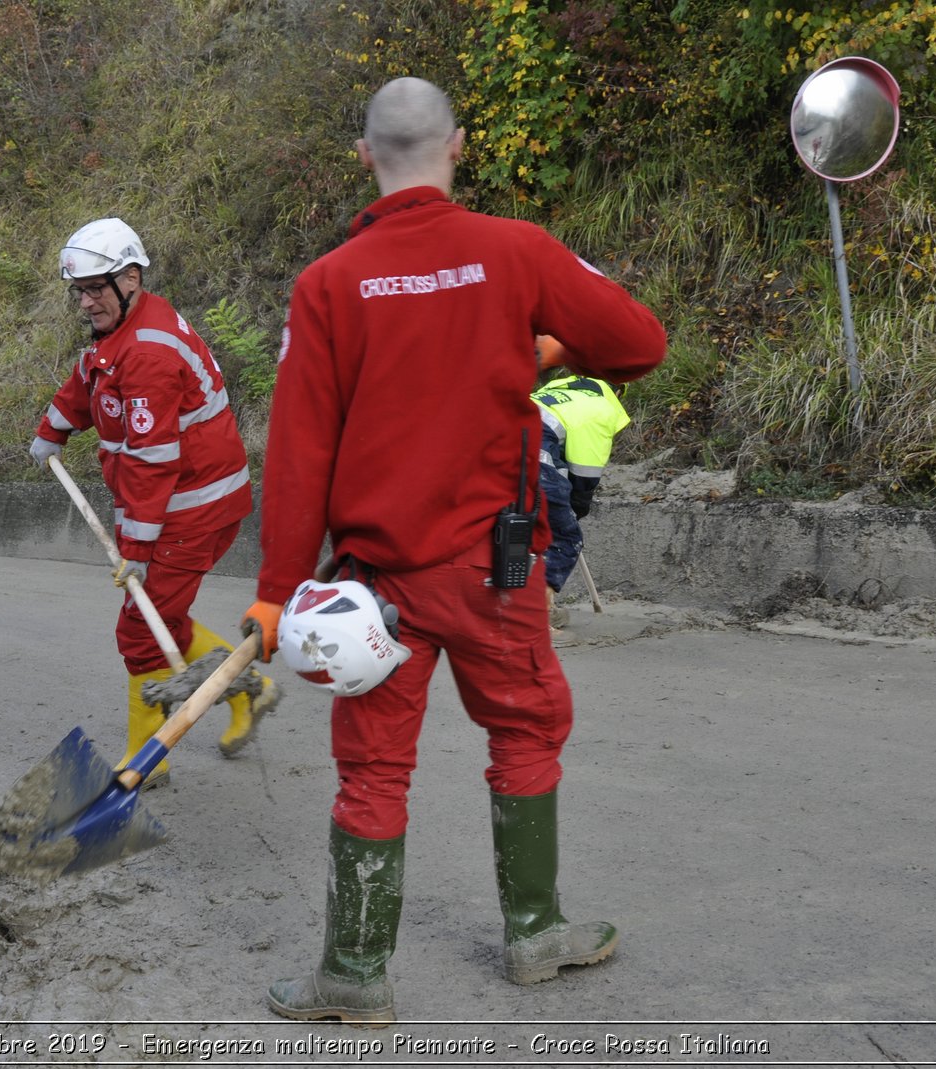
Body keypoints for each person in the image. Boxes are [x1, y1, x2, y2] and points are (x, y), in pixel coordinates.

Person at [241, 77, 665, 1024]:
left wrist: (276, 595)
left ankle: (352, 974)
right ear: (459, 146)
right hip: (495, 569)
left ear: (363, 156)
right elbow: (640, 341)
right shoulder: (514, 251)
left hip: (372, 590)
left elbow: (301, 452)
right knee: (523, 729)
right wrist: (547, 351)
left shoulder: (326, 285)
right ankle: (535, 933)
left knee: (373, 768)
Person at [29, 218, 277, 786]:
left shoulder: (149, 353)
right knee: (163, 619)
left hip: (191, 508)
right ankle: (250, 689)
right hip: (176, 504)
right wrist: (55, 428)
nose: (86, 302)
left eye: (96, 289)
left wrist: (137, 548)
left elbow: (151, 460)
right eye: (80, 291)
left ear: (130, 279)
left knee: (141, 632)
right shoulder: (125, 328)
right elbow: (93, 381)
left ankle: (149, 757)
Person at [532, 336, 633, 629]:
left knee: (515, 530)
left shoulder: (555, 391)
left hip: (491, 454)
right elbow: (585, 474)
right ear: (618, 389)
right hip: (530, 458)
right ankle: (539, 610)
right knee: (564, 536)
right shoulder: (601, 408)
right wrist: (576, 510)